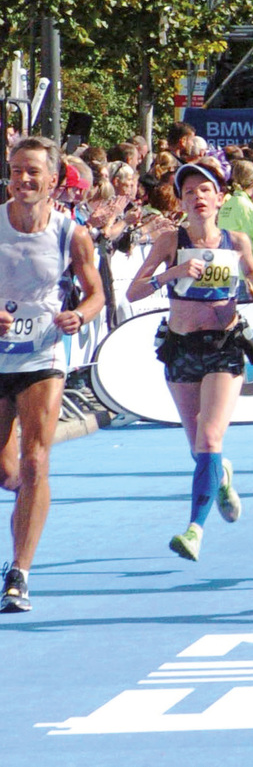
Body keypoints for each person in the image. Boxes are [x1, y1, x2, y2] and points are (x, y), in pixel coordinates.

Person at [126, 159, 253, 560]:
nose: (197, 198)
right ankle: (221, 476)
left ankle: (194, 530)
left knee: (210, 438)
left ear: (219, 197)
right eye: (189, 192)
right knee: (198, 448)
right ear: (181, 201)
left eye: (205, 190)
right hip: (181, 347)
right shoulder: (170, 241)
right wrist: (171, 273)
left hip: (224, 347)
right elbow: (133, 293)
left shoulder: (236, 240)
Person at [0, 137, 106, 611]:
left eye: (34, 172)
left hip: (42, 356)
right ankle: (29, 499)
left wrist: (79, 316)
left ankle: (19, 570)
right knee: (8, 472)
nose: (25, 179)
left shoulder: (70, 233)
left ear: (54, 180)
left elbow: (96, 292)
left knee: (36, 461)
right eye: (18, 170)